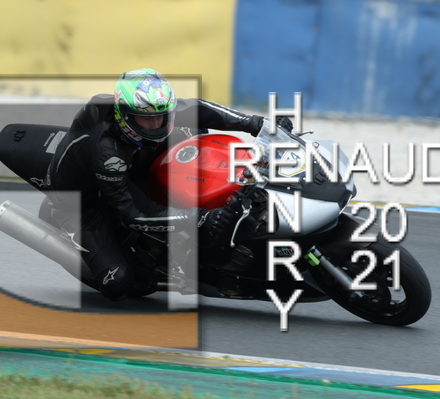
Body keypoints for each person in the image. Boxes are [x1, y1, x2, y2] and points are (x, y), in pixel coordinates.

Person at [45, 68, 283, 300]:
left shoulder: (148, 111)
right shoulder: (107, 151)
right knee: (122, 282)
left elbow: (196, 109)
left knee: (197, 132)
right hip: (85, 201)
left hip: (133, 163)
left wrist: (259, 124)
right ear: (124, 115)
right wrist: (197, 217)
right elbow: (133, 214)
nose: (156, 124)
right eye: (146, 119)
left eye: (161, 116)